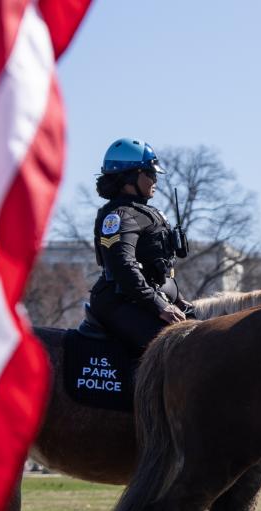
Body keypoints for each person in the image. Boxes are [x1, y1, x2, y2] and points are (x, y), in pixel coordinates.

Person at [89, 138, 191, 354]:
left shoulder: (145, 213)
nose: (155, 179)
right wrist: (159, 306)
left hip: (146, 300)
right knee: (171, 350)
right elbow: (123, 266)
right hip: (121, 303)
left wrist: (180, 302)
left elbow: (161, 270)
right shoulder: (120, 216)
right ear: (130, 176)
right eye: (150, 173)